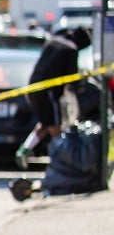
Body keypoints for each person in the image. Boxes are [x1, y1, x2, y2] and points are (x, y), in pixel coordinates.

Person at [22, 27, 92, 159]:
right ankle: (61, 157)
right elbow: (72, 79)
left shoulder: (53, 41)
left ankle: (25, 149)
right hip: (48, 92)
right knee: (55, 125)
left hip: (33, 85)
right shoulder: (71, 49)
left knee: (46, 120)